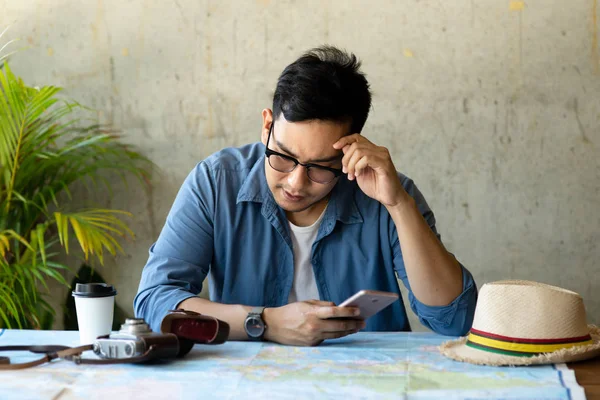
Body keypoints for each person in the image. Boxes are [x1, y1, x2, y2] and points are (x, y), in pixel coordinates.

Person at [134, 45, 477, 346]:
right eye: (282, 157)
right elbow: (155, 301)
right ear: (267, 126)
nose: (296, 183)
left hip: (368, 381)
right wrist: (264, 322)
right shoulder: (216, 182)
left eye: (321, 167)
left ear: (350, 149)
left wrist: (399, 205)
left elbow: (455, 320)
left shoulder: (387, 192)